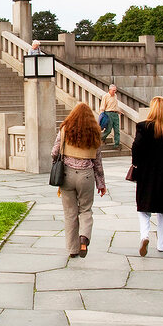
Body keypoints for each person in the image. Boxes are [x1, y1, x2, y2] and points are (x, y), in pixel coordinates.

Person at [51, 103, 107, 258]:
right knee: (85, 209)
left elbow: (54, 152)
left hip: (67, 175)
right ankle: (84, 237)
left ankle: (72, 249)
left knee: (70, 213)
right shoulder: (94, 133)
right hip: (86, 175)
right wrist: (101, 183)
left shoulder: (65, 130)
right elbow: (98, 162)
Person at [131, 96, 163, 256]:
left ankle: (144, 235)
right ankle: (162, 243)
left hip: (146, 172)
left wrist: (136, 163)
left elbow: (136, 147)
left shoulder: (143, 126)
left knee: (143, 207)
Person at [100, 84, 121, 148]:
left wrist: (118, 111)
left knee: (117, 130)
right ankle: (101, 138)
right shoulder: (105, 96)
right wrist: (102, 114)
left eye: (115, 90)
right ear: (109, 90)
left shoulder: (115, 96)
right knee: (108, 129)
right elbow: (103, 106)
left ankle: (117, 144)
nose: (114, 92)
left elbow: (116, 105)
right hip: (108, 113)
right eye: (113, 90)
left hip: (115, 114)